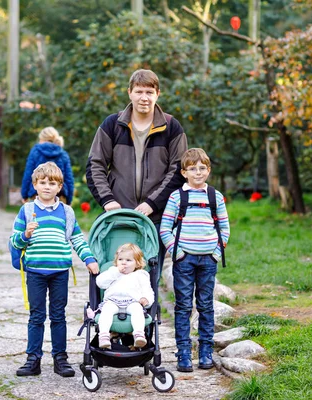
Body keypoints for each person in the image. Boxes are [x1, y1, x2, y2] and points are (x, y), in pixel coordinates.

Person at [86, 69, 188, 278]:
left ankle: (148, 310)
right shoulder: (112, 125)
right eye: (139, 91)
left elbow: (179, 170)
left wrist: (152, 203)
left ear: (157, 94)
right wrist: (107, 201)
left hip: (156, 218)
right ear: (129, 93)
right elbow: (95, 165)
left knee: (149, 277)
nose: (144, 98)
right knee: (114, 272)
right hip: (118, 218)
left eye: (149, 92)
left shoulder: (171, 127)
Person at [9, 161, 99, 378]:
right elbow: (14, 242)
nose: (47, 186)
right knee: (36, 316)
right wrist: (25, 235)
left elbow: (77, 238)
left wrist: (89, 259)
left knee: (58, 316)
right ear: (35, 185)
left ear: (59, 187)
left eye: (52, 183)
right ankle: (33, 359)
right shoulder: (27, 210)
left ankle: (61, 358)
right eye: (43, 182)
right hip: (36, 272)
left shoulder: (66, 212)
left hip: (60, 272)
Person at [159, 148, 230, 373]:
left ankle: (206, 350)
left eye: (202, 168)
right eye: (192, 169)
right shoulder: (177, 197)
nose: (198, 173)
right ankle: (183, 352)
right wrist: (176, 252)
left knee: (206, 305)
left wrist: (216, 253)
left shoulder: (214, 197)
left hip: (208, 258)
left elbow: (224, 228)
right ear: (184, 172)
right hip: (185, 259)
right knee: (183, 306)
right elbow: (165, 229)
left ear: (208, 170)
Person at [95, 243, 155, 349]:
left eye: (128, 260)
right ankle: (103, 336)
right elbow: (100, 282)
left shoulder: (140, 275)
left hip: (132, 302)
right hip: (113, 301)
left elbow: (148, 290)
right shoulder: (112, 272)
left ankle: (139, 335)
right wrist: (115, 272)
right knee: (106, 311)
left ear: (137, 263)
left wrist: (146, 299)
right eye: (120, 259)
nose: (124, 263)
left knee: (137, 311)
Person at [20, 127, 74, 205]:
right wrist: (69, 199)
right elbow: (69, 179)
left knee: (37, 217)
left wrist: (24, 195)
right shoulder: (63, 154)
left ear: (42, 139)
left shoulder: (35, 152)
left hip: (37, 195)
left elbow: (28, 175)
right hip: (60, 197)